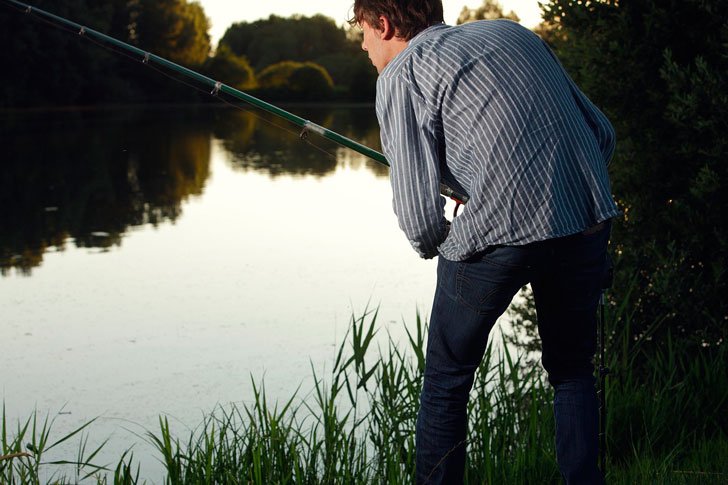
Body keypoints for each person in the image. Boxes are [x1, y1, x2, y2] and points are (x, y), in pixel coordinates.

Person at [350, 1, 619, 483]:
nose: (365, 47)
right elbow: (602, 132)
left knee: (446, 384)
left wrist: (458, 230)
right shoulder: (512, 35)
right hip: (586, 220)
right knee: (573, 370)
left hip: (496, 236)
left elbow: (420, 220)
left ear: (384, 25)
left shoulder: (400, 76)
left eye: (364, 34)